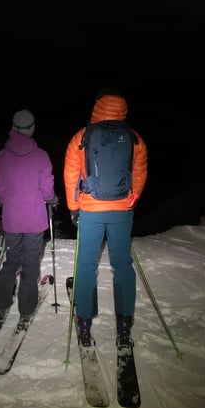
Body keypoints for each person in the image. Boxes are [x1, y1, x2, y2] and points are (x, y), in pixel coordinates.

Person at [63, 88, 148, 347]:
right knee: (122, 264)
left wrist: (73, 207)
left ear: (97, 105)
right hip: (121, 209)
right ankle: (124, 325)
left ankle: (85, 323)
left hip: (90, 209)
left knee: (86, 264)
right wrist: (131, 200)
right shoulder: (134, 138)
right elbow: (139, 172)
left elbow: (70, 175)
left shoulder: (82, 136)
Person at [0, 109, 58, 330]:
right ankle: (26, 309)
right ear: (31, 129)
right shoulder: (41, 156)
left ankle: (1, 305)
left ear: (13, 128)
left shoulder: (1, 157)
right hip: (34, 219)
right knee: (30, 263)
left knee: (12, 260)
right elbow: (47, 189)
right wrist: (52, 199)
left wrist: (8, 201)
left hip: (12, 218)